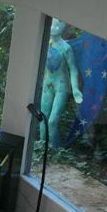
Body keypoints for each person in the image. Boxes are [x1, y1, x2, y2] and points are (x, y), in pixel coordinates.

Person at [40, 18, 83, 147]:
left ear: (63, 27)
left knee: (52, 121)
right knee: (42, 118)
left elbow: (73, 70)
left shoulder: (66, 48)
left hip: (61, 86)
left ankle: (54, 150)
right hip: (47, 85)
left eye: (57, 25)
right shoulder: (46, 44)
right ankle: (42, 148)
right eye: (52, 24)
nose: (53, 27)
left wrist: (75, 89)